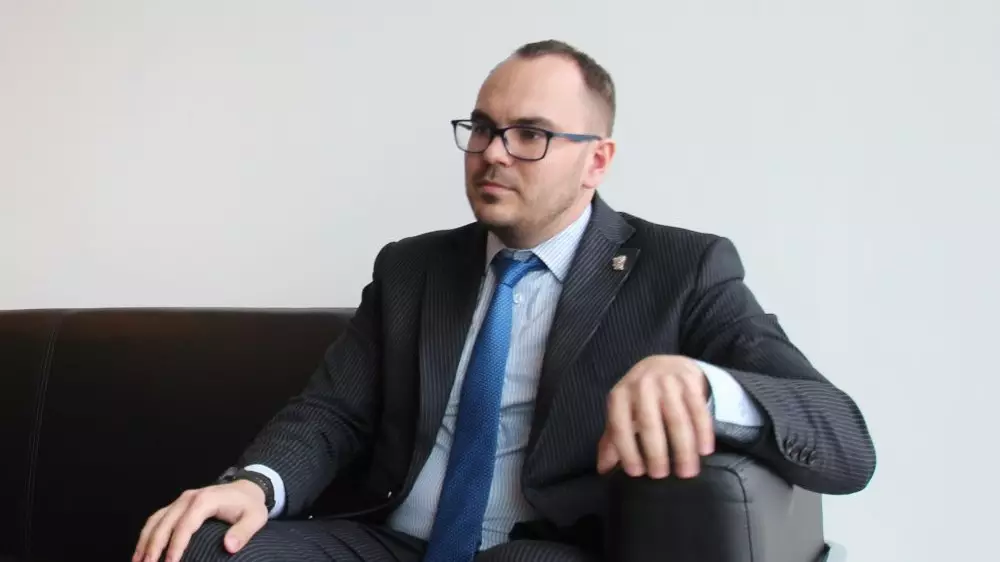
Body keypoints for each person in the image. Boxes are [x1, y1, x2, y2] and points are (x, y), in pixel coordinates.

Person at [133, 39, 876, 562]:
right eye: (484, 128)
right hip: (390, 542)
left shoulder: (683, 269)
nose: (493, 152)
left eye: (530, 135)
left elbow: (844, 439)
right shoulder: (412, 268)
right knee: (202, 547)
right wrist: (256, 486)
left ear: (597, 161)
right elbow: (332, 412)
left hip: (543, 548)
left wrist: (702, 385)